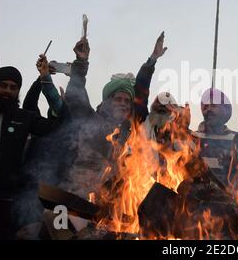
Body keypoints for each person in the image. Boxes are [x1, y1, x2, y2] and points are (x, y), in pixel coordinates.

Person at [59, 32, 167, 199]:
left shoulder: (133, 128)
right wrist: (81, 62)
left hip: (118, 203)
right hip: (83, 196)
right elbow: (76, 96)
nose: (124, 103)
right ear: (108, 101)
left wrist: (152, 59)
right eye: (118, 99)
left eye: (127, 100)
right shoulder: (92, 121)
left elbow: (141, 92)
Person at [0, 66, 61, 239]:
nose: (7, 91)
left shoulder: (23, 118)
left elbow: (62, 128)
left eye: (13, 87)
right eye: (3, 85)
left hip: (2, 204)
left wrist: (48, 86)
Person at [194, 88, 236, 185]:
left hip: (227, 196)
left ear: (225, 110)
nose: (209, 109)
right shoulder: (193, 137)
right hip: (198, 196)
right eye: (205, 107)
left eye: (213, 106)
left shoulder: (236, 138)